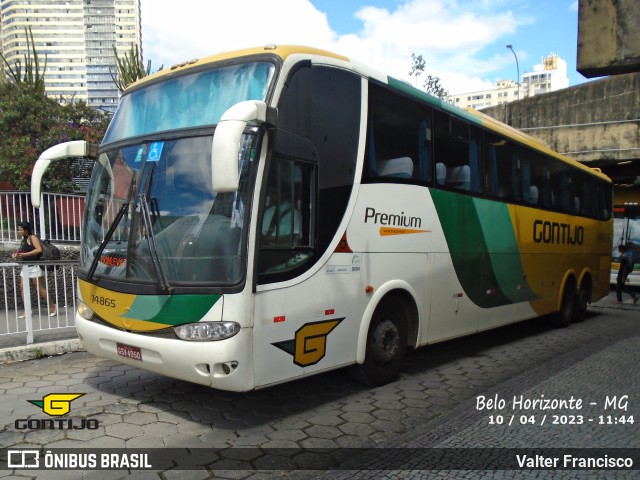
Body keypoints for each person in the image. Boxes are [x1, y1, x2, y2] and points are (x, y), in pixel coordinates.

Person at [12, 221, 57, 317]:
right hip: (26, 266)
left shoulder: (32, 237)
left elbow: (38, 249)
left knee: (39, 288)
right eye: (18, 229)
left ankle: (52, 306)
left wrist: (25, 254)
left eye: (21, 230)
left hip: (35, 266)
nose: (19, 231)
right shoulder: (23, 239)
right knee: (22, 288)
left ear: (26, 230)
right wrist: (16, 254)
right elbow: (22, 250)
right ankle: (28, 310)